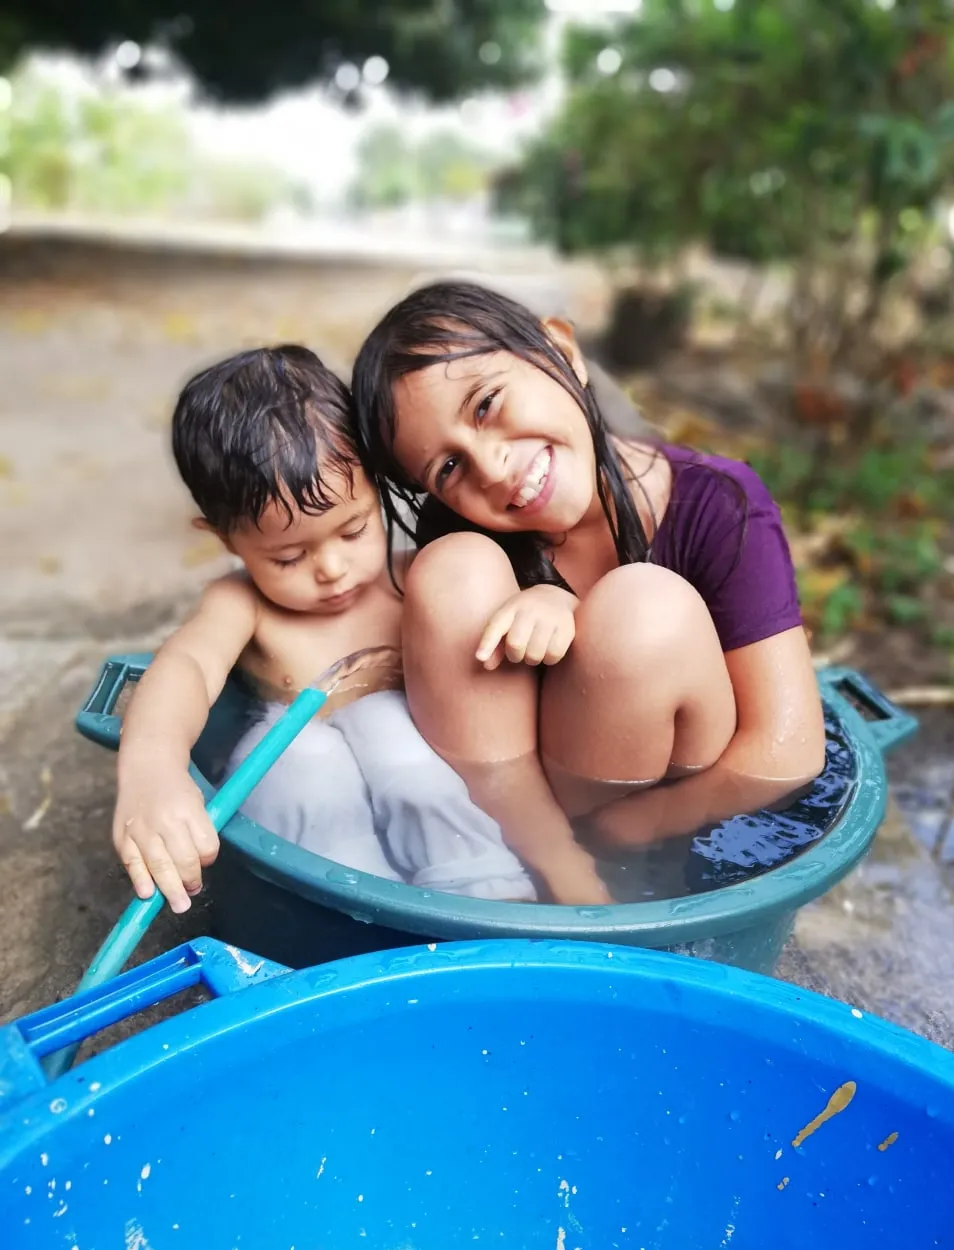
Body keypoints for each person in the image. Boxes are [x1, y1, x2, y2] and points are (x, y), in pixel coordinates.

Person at [351, 280, 826, 906]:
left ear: (562, 351)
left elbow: (786, 752)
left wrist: (635, 828)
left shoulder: (718, 503)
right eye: (448, 468)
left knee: (642, 608)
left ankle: (611, 880)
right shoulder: (468, 541)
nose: (492, 468)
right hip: (527, 817)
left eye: (487, 404)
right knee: (450, 572)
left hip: (665, 807)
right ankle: (560, 879)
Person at [112, 345, 535, 913]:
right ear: (225, 539)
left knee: (395, 736)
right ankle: (348, 904)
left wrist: (547, 604)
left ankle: (488, 895)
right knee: (305, 759)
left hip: (423, 777)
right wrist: (151, 767)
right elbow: (185, 668)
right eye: (288, 557)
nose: (331, 569)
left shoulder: (420, 578)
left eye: (355, 530)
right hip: (313, 791)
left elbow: (510, 649)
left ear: (376, 488)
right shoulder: (242, 602)